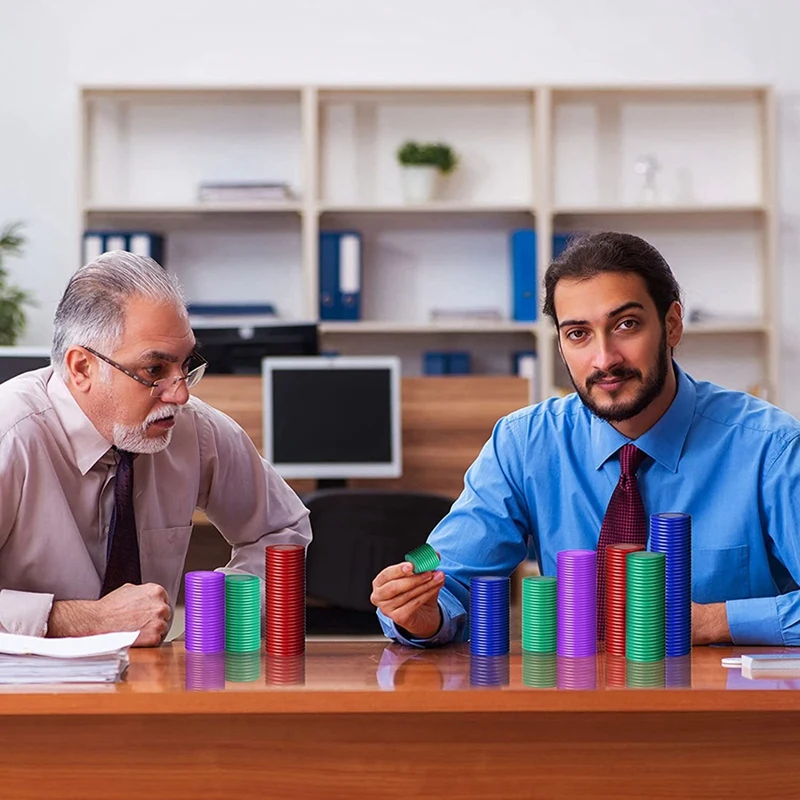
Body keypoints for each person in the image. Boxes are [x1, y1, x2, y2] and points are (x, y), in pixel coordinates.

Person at [372, 231, 800, 648]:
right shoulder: (522, 443)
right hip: (574, 703)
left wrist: (712, 621)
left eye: (626, 325)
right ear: (560, 345)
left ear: (671, 325)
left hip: (726, 711)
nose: (604, 359)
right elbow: (445, 571)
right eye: (578, 334)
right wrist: (420, 614)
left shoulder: (772, 448)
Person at [0, 251, 311, 646]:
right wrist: (84, 620)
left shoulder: (193, 430)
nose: (180, 394)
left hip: (152, 691)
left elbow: (283, 528)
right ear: (81, 368)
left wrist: (214, 617)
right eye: (154, 371)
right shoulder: (10, 435)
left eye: (185, 365)